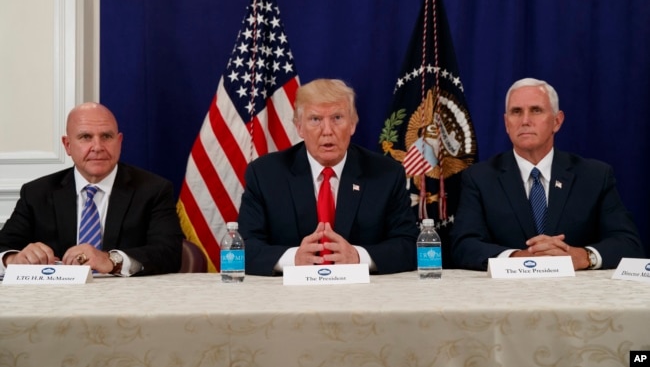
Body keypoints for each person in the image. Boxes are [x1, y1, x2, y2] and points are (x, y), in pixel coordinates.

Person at [450, 78, 645, 271]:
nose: (525, 121)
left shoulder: (594, 176)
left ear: (557, 121)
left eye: (536, 110)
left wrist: (584, 256)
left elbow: (628, 244)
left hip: (577, 295)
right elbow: (463, 246)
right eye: (516, 112)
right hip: (507, 295)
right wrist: (518, 258)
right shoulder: (479, 178)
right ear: (506, 123)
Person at [238, 78, 419, 276]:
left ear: (352, 124)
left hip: (363, 298)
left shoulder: (386, 174)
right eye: (315, 119)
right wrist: (294, 258)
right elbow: (244, 247)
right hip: (289, 299)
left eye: (337, 118)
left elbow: (408, 246)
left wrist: (357, 257)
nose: (327, 131)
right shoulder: (265, 175)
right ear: (299, 127)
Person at [0, 102, 184, 276]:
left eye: (106, 136)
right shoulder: (37, 193)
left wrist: (110, 260)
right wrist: (13, 259)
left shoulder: (153, 190)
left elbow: (169, 254)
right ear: (68, 145)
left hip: (126, 299)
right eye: (85, 137)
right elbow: (3, 246)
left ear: (119, 142)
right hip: (56, 299)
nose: (97, 147)